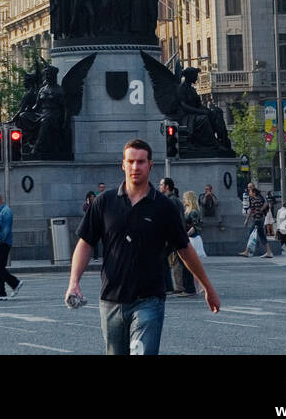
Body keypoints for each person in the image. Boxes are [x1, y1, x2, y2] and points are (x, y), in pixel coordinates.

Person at [66, 139, 220, 355]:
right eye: (130, 161)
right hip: (111, 299)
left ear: (150, 165)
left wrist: (208, 288)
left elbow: (184, 249)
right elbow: (85, 243)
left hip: (149, 299)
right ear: (123, 165)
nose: (135, 167)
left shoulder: (164, 207)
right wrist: (74, 282)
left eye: (140, 162)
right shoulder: (105, 202)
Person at [159, 178, 192, 294]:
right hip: (176, 234)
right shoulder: (173, 199)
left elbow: (171, 219)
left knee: (179, 261)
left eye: (161, 184)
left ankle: (188, 288)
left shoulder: (171, 200)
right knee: (178, 260)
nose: (159, 186)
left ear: (167, 187)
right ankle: (172, 287)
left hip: (174, 235)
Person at [0, 191, 22, 301]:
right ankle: (14, 284)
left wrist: (0, 240)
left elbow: (6, 229)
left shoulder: (6, 212)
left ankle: (2, 292)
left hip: (3, 243)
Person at [239, 183, 272, 258]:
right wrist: (247, 219)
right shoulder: (253, 198)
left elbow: (264, 205)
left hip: (258, 219)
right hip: (258, 218)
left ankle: (247, 252)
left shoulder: (257, 197)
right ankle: (268, 252)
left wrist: (260, 211)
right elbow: (251, 209)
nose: (249, 189)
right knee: (261, 235)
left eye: (250, 188)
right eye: (248, 187)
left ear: (254, 189)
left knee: (251, 234)